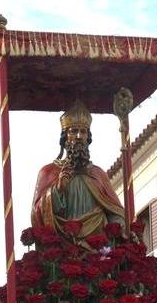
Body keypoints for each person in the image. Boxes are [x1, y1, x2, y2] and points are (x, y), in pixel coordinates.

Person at [30, 101, 126, 243]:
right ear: (65, 137)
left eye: (83, 131)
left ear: (88, 137)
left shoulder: (98, 174)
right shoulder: (48, 172)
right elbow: (36, 215)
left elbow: (116, 212)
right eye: (73, 131)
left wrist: (119, 227)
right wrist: (57, 190)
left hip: (98, 248)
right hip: (63, 247)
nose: (79, 136)